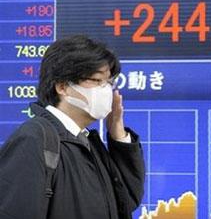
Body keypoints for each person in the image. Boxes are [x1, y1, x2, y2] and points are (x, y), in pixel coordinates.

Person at [0, 35, 145, 219]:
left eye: (109, 82)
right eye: (97, 80)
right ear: (62, 86)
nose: (106, 90)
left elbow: (126, 202)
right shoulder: (34, 139)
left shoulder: (87, 143)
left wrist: (119, 136)